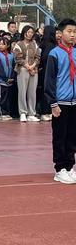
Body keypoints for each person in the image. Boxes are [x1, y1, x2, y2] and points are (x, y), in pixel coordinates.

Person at [44, 19, 76, 185]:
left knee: (72, 136)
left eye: (75, 32)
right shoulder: (54, 54)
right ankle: (60, 168)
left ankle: (70, 166)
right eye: (69, 31)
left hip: (74, 101)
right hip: (61, 102)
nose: (72, 35)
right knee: (60, 136)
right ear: (60, 34)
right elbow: (49, 80)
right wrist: (53, 103)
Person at [13, 25, 41, 122]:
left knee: (32, 92)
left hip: (34, 70)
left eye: (31, 32)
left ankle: (31, 113)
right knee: (22, 91)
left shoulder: (35, 44)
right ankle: (23, 113)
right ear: (24, 33)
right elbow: (18, 58)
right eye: (28, 32)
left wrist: (33, 66)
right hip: (22, 70)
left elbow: (38, 57)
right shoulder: (19, 44)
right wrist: (27, 66)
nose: (30, 34)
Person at [38, 25, 57, 122]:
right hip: (47, 71)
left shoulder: (43, 43)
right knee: (48, 91)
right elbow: (45, 57)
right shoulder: (51, 45)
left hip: (43, 70)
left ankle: (46, 111)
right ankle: (45, 112)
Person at [0, 37, 14, 121]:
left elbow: (13, 67)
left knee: (8, 98)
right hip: (1, 80)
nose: (1, 46)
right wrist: (5, 78)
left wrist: (12, 77)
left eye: (3, 44)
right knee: (1, 98)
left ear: (8, 45)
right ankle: (1, 112)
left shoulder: (11, 56)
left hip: (9, 81)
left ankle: (7, 112)